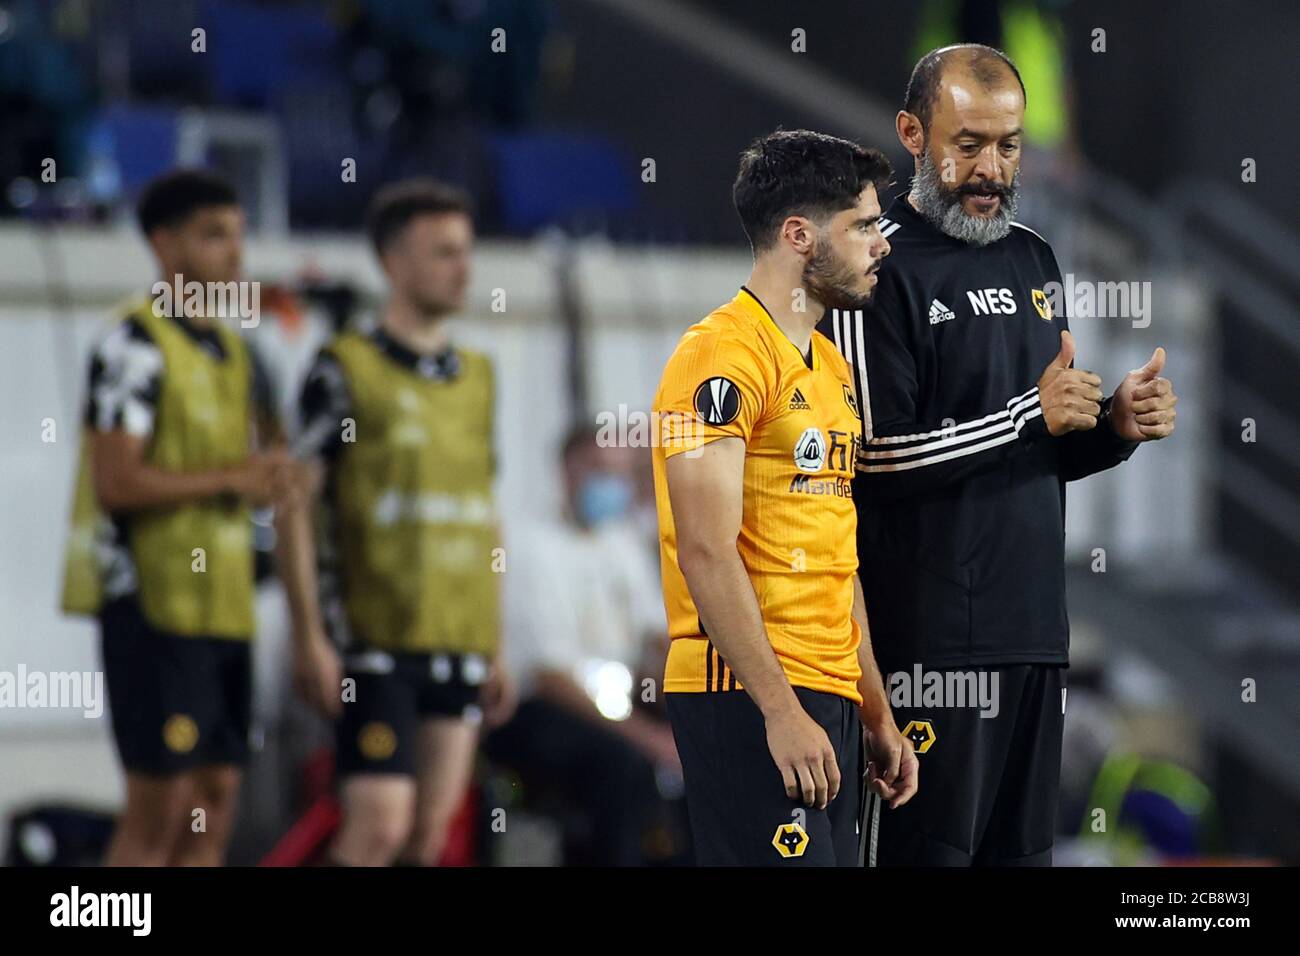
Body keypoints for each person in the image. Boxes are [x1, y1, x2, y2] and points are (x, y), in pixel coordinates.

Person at [818, 44, 1179, 866]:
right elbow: (867, 458)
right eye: (969, 144)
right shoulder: (873, 266)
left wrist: (1113, 423)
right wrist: (1026, 416)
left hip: (1035, 632)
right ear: (913, 133)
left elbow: (1039, 443)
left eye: (1009, 146)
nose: (991, 168)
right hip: (929, 645)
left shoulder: (1034, 256)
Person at [652, 130, 918, 867]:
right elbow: (705, 553)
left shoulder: (831, 366)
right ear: (799, 235)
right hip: (744, 691)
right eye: (864, 224)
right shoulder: (718, 356)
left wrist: (875, 712)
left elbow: (839, 562)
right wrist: (778, 709)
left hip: (824, 695)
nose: (882, 243)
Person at [276, 178, 513, 866]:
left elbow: (483, 512)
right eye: (442, 253)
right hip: (376, 636)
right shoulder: (344, 368)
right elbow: (294, 501)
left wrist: (494, 639)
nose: (462, 268)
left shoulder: (477, 376)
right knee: (377, 824)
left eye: (465, 251)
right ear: (393, 263)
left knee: (429, 835)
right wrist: (309, 636)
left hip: (459, 634)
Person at [61, 169, 293, 866]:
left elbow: (262, 469)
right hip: (152, 603)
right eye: (213, 234)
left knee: (216, 797)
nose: (234, 253)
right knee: (157, 808)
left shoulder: (236, 353)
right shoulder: (131, 345)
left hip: (225, 604)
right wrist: (232, 478)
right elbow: (117, 479)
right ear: (164, 245)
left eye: (239, 234)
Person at [486, 425, 683, 866]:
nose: (611, 485)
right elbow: (549, 676)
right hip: (543, 710)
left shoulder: (621, 541)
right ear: (567, 471)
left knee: (706, 741)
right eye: (598, 470)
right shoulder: (528, 545)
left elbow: (655, 638)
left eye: (619, 474)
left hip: (620, 700)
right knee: (623, 763)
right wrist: (649, 738)